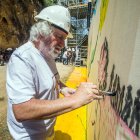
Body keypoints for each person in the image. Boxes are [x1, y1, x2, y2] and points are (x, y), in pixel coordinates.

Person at [6, 5, 103, 140]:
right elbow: (21, 110)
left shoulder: (47, 54)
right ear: (41, 32)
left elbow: (54, 79)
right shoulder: (23, 59)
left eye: (64, 38)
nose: (63, 44)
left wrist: (63, 88)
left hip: (47, 132)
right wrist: (76, 99)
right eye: (59, 37)